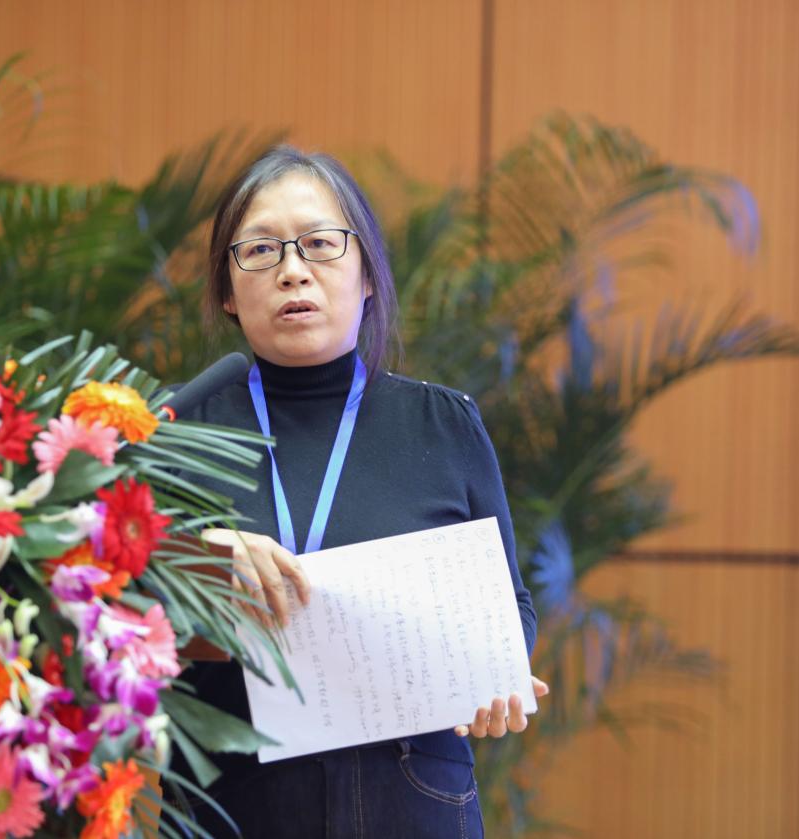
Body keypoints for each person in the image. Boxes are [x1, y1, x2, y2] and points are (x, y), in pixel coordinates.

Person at [173, 145, 545, 839]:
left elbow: (510, 606)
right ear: (227, 290)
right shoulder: (174, 428)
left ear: (367, 273)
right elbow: (109, 603)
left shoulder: (441, 423)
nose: (292, 270)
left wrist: (498, 672)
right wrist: (199, 560)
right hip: (231, 803)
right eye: (260, 250)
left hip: (413, 799)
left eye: (319, 244)